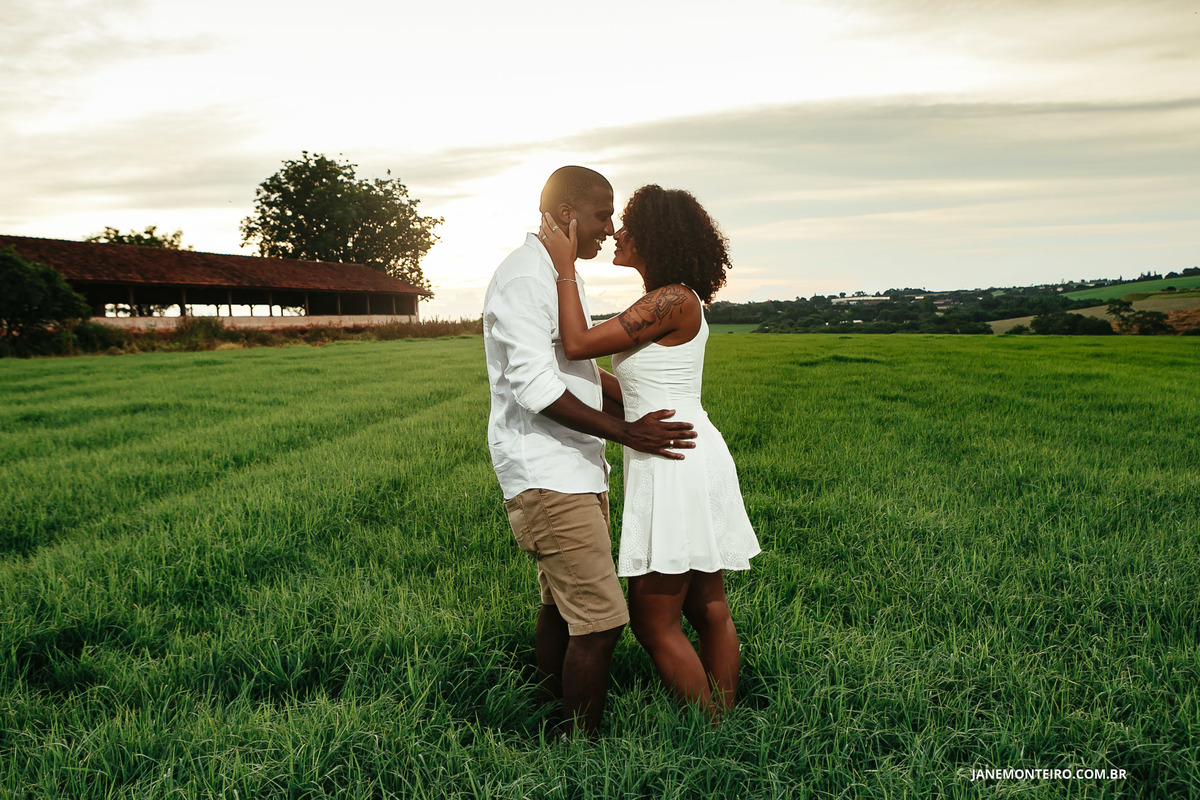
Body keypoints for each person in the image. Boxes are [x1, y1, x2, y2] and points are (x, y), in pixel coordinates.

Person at [483, 166, 698, 736]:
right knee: (601, 623)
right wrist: (629, 432)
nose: (609, 228)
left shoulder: (557, 273)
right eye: (602, 215)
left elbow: (572, 365)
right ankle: (580, 753)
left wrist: (640, 396)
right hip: (545, 469)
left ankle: (548, 709)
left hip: (574, 464)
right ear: (566, 214)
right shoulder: (529, 278)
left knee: (562, 606)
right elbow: (533, 386)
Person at [538, 184, 761, 717]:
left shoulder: (672, 300)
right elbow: (630, 389)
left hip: (674, 456)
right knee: (708, 606)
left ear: (655, 238)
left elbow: (578, 344)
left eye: (628, 226)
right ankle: (724, 721)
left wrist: (564, 267)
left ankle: (710, 725)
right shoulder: (668, 300)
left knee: (652, 618)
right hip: (679, 446)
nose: (616, 232)